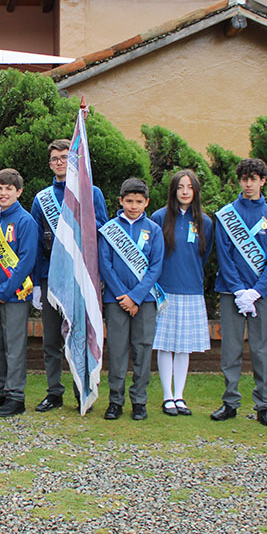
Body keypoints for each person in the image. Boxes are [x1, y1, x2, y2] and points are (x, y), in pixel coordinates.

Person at [30, 138, 108, 413]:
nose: (59, 162)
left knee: (79, 335)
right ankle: (54, 392)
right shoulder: (42, 199)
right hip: (51, 277)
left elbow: (102, 233)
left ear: (73, 160)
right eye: (55, 159)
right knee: (51, 340)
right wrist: (38, 284)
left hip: (81, 277)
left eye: (64, 157)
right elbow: (37, 243)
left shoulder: (91, 192)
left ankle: (81, 389)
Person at [211, 158, 267, 427]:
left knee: (262, 350)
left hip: (261, 295)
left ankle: (263, 404)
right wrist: (239, 290)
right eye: (244, 179)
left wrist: (255, 292)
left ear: (262, 181)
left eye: (254, 178)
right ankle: (230, 402)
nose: (249, 183)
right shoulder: (227, 213)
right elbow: (224, 256)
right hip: (232, 292)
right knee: (230, 349)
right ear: (239, 181)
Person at [97, 178, 164, 421]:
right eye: (129, 201)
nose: (133, 206)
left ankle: (140, 401)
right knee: (117, 351)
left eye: (138, 201)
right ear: (120, 201)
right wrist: (122, 296)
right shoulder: (109, 229)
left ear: (146, 202)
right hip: (116, 301)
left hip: (144, 301)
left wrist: (135, 297)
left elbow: (156, 266)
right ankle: (115, 401)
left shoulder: (154, 230)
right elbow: (105, 264)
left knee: (143, 349)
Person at [150, 169, 213, 417]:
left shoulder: (204, 222)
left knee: (184, 346)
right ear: (173, 190)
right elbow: (152, 255)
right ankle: (167, 396)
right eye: (180, 187)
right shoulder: (159, 217)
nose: (185, 192)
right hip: (165, 290)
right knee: (165, 345)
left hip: (192, 290)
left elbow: (204, 256)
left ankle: (180, 396)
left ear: (195, 191)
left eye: (189, 187)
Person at [0, 168, 38, 418]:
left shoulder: (26, 221)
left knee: (14, 347)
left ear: (19, 192)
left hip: (14, 297)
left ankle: (16, 396)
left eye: (9, 189)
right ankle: (0, 390)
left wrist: (3, 291)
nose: (3, 193)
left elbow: (27, 261)